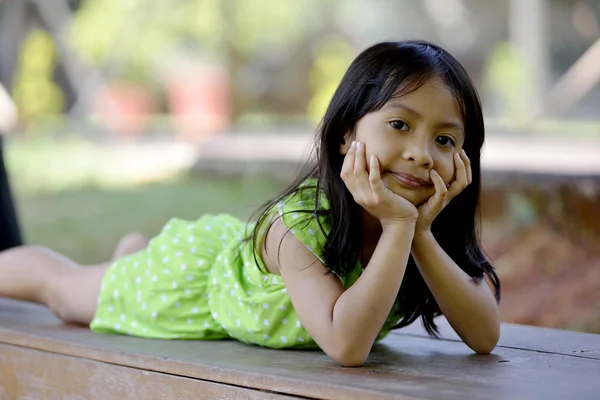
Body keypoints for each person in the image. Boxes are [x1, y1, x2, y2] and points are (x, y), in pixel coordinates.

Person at [0, 40, 501, 367]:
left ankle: (129, 256)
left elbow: (483, 336)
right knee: (65, 295)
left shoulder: (417, 226)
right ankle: (130, 263)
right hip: (192, 289)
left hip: (240, 280)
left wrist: (415, 232)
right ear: (348, 134)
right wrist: (397, 229)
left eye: (444, 140)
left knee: (106, 275)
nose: (420, 152)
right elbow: (347, 346)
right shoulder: (299, 226)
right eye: (400, 125)